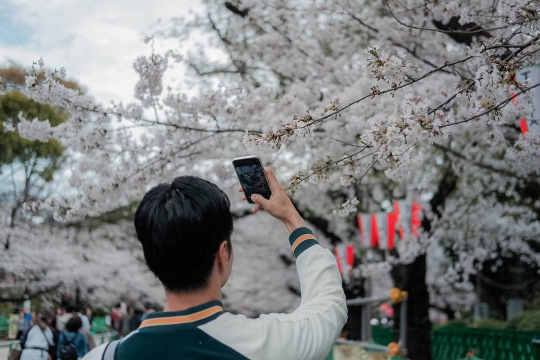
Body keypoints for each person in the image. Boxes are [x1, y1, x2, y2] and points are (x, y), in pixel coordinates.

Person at [83, 169, 347, 360]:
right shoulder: (268, 344)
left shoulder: (102, 356)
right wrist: (290, 216)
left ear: (152, 258)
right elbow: (329, 303)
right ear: (223, 253)